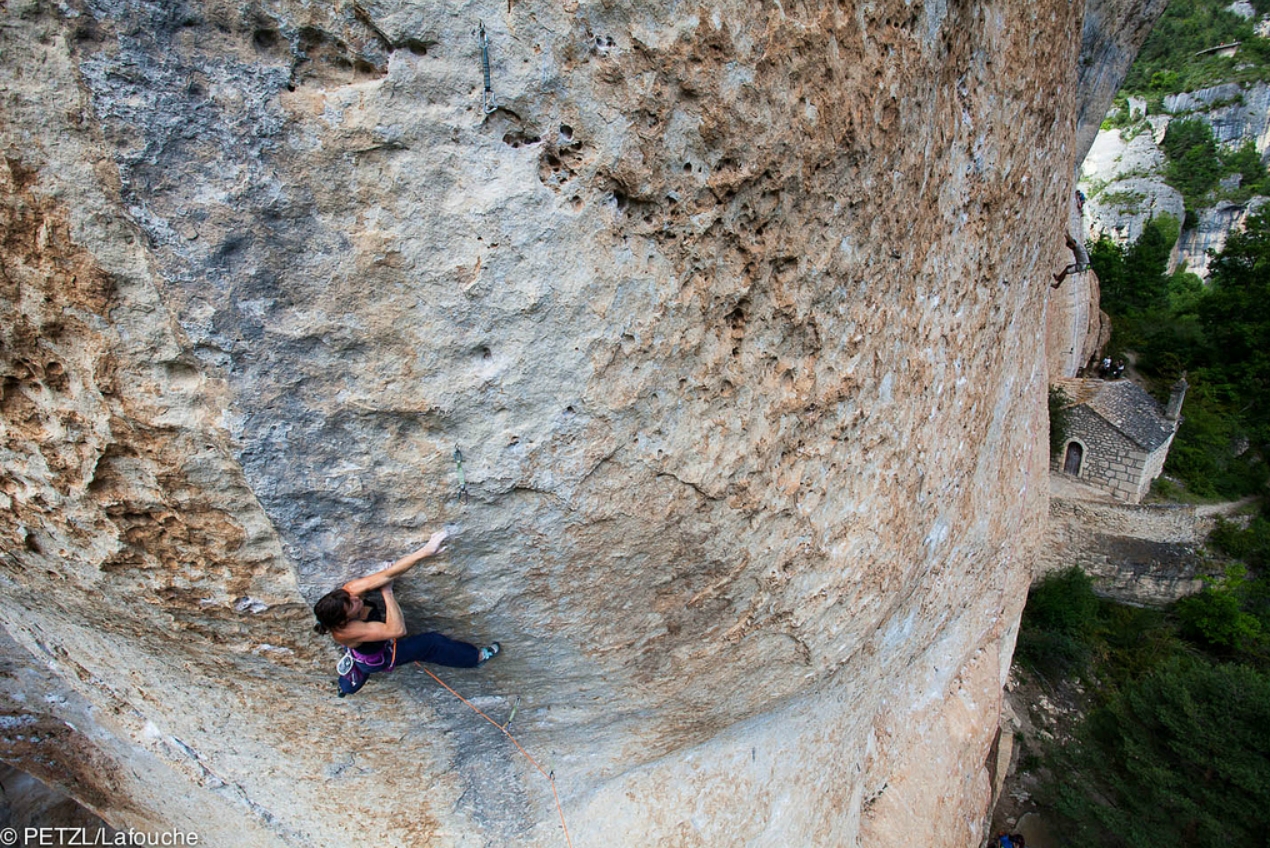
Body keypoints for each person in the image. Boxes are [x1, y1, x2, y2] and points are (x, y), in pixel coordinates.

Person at [313, 530, 500, 692]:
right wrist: (387, 593)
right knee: (431, 643)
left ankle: (357, 669)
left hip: (371, 641)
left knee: (373, 636)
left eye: (351, 598)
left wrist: (425, 551)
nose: (355, 598)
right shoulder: (347, 631)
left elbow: (388, 574)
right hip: (380, 657)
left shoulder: (348, 593)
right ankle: (476, 658)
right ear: (344, 621)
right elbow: (397, 631)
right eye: (352, 605)